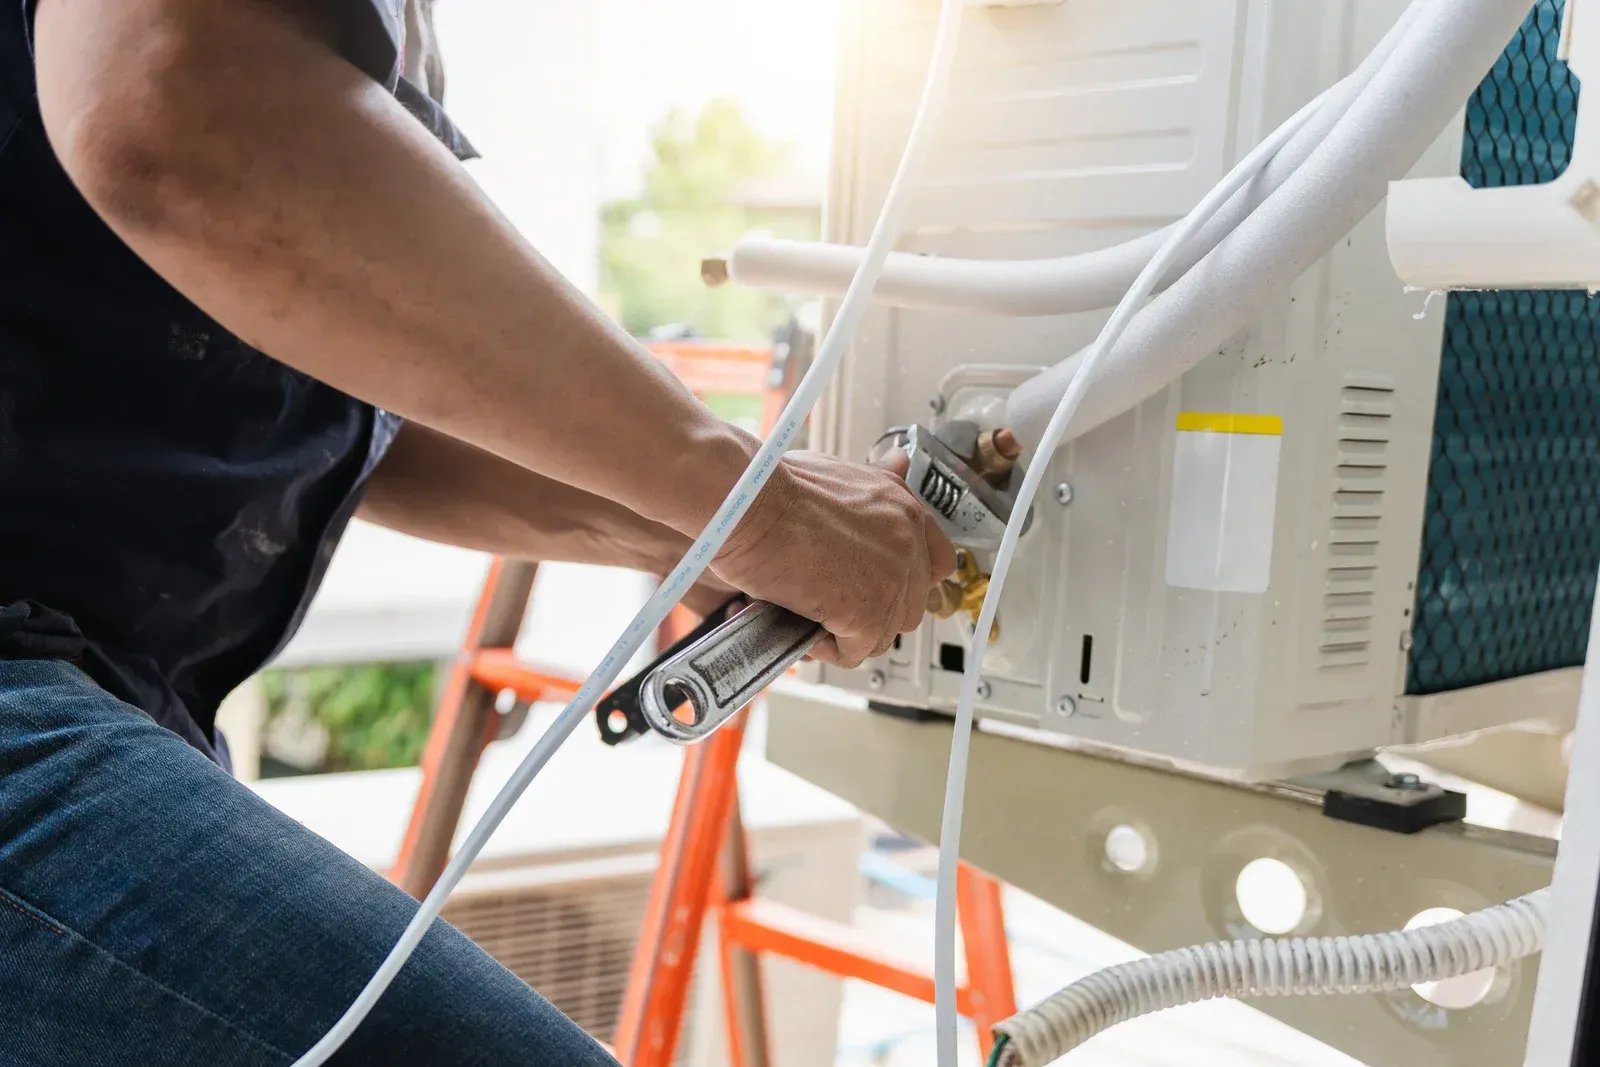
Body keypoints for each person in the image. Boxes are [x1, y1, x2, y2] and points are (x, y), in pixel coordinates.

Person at [0, 1, 956, 1063]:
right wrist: (750, 500)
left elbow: (342, 412)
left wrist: (691, 531)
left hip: (109, 688)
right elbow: (170, 107)